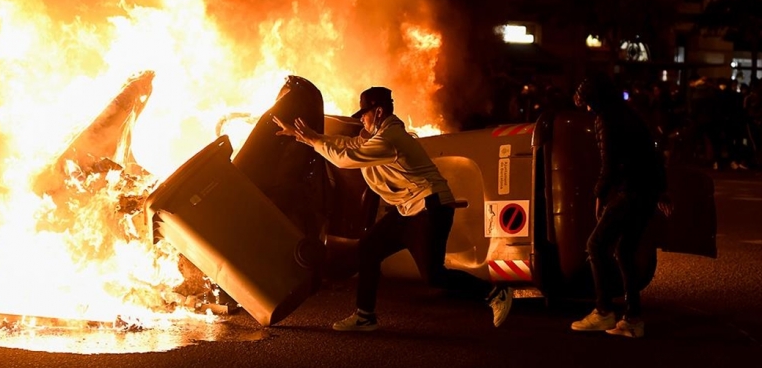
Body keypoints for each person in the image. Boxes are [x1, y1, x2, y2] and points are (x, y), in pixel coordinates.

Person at [273, 86, 514, 332]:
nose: (361, 120)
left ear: (378, 112)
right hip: (409, 210)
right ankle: (365, 316)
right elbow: (348, 143)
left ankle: (496, 292)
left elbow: (347, 157)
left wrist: (314, 139)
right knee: (368, 248)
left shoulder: (390, 140)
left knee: (434, 276)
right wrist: (308, 136)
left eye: (364, 114)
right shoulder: (379, 136)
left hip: (430, 207)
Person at [571, 74, 673, 338]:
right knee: (625, 250)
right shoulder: (630, 114)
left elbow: (609, 164)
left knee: (595, 245)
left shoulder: (606, 120)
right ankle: (632, 319)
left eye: (588, 103)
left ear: (595, 100)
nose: (588, 109)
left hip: (630, 191)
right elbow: (653, 154)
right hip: (646, 192)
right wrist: (660, 191)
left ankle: (603, 311)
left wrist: (599, 195)